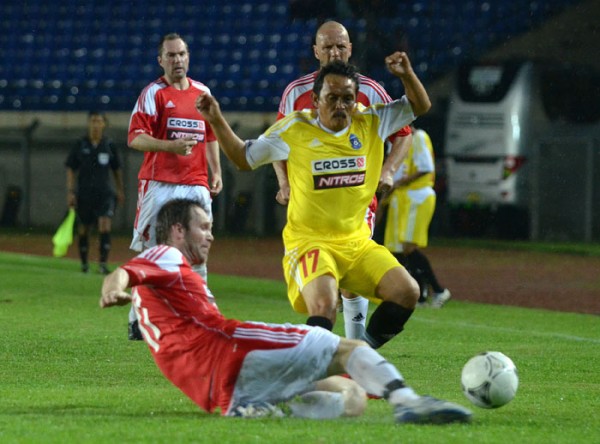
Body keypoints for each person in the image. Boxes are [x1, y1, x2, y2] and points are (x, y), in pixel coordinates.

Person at [99, 198, 471, 423]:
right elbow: (124, 272)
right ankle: (408, 402)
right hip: (230, 351)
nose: (210, 235)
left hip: (214, 389)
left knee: (352, 399)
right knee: (353, 349)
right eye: (204, 227)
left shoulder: (166, 287)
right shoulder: (166, 254)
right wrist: (114, 288)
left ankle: (261, 410)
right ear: (179, 231)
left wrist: (122, 289)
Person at [197, 56, 429, 351]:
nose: (340, 105)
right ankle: (312, 367)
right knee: (325, 304)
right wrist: (216, 119)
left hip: (356, 243)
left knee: (407, 291)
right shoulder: (294, 129)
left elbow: (420, 106)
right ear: (316, 100)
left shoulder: (371, 121)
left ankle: (360, 354)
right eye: (332, 98)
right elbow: (243, 158)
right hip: (310, 243)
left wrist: (407, 74)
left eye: (347, 98)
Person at [275, 21, 413, 340]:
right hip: (310, 204)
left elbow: (405, 134)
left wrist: (388, 170)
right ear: (316, 51)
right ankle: (335, 350)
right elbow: (278, 143)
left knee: (351, 280)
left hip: (356, 201)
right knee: (324, 288)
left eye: (341, 46)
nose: (335, 52)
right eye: (328, 47)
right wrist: (284, 182)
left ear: (350, 49)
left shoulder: (371, 90)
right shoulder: (296, 92)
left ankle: (355, 345)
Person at [126, 32, 223, 339]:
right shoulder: (153, 94)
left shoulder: (202, 92)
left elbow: (211, 134)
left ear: (188, 57)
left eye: (181, 54)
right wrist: (170, 146)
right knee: (153, 250)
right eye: (171, 55)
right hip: (160, 183)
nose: (177, 60)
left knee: (199, 248)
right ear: (161, 60)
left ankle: (201, 314)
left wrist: (216, 171)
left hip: (195, 183)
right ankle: (137, 319)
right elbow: (135, 138)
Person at [382, 124, 451, 308]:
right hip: (401, 198)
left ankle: (438, 290)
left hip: (417, 196)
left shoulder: (418, 137)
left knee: (408, 247)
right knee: (397, 249)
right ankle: (420, 294)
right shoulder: (393, 141)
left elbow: (426, 167)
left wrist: (399, 183)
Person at [65, 111, 125, 275]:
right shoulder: (80, 144)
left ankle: (103, 264)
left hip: (104, 193)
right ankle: (84, 264)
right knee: (84, 228)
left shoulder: (109, 145)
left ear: (104, 124)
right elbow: (71, 168)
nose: (96, 124)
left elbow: (116, 169)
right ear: (88, 123)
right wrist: (70, 191)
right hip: (84, 193)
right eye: (93, 121)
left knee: (105, 224)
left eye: (99, 121)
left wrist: (120, 190)